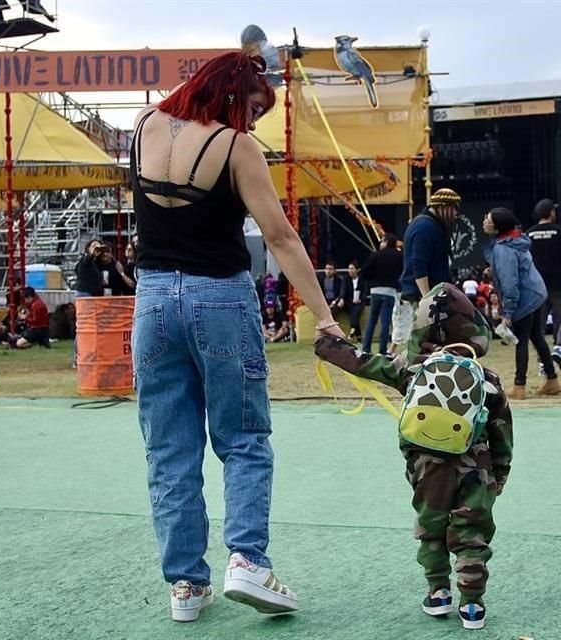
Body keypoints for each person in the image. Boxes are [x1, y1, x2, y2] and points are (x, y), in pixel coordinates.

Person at [128, 50, 344, 623]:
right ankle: (247, 560)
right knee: (243, 437)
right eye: (252, 104)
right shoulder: (237, 146)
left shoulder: (145, 126)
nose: (255, 119)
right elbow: (279, 236)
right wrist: (324, 319)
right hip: (218, 297)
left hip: (151, 300)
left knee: (168, 449)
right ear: (229, 93)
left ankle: (185, 586)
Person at [314, 283, 513, 631]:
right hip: (476, 469)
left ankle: (438, 592)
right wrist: (500, 472)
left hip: (425, 469)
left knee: (431, 528)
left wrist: (327, 345)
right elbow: (501, 431)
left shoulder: (410, 368)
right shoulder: (487, 379)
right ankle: (472, 605)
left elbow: (363, 363)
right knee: (472, 533)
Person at [483, 207, 560, 398]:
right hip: (537, 293)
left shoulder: (503, 249)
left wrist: (508, 313)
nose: (484, 221)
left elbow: (510, 284)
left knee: (522, 340)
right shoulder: (517, 241)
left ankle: (519, 386)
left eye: (489, 219)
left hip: (525, 299)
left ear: (498, 227)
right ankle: (552, 380)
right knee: (537, 338)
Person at [397, 188, 461, 346]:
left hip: (431, 294)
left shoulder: (431, 225)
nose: (455, 214)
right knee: (427, 344)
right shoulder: (424, 227)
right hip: (423, 296)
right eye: (453, 209)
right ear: (443, 206)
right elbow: (418, 264)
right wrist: (427, 299)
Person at [525, 198, 561, 373]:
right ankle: (559, 348)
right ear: (551, 213)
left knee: (538, 328)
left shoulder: (529, 234)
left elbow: (526, 262)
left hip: (536, 286)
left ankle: (543, 365)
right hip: (558, 284)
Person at [361, 233, 403, 355]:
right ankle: (383, 350)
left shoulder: (376, 255)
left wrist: (371, 280)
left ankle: (366, 349)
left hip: (375, 290)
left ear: (385, 242)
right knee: (386, 322)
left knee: (372, 320)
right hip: (390, 291)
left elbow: (365, 271)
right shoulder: (399, 256)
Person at [340, 261, 367, 341]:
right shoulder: (346, 279)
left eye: (352, 268)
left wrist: (360, 299)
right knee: (353, 313)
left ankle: (352, 332)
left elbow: (365, 291)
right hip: (349, 301)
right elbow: (343, 289)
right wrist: (342, 298)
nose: (350, 271)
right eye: (349, 269)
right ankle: (358, 335)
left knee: (355, 311)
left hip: (359, 302)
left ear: (357, 270)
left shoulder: (362, 280)